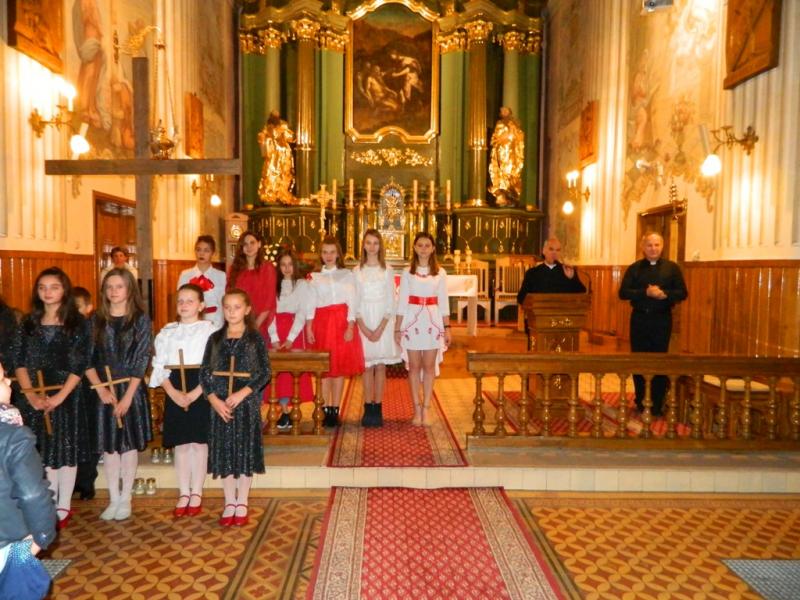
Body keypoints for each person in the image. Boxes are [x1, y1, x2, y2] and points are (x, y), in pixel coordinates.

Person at [12, 267, 90, 530]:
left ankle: (64, 504)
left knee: (65, 448)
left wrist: (59, 397)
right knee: (42, 449)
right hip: (34, 396)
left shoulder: (78, 323)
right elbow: (19, 361)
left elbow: (80, 364)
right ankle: (48, 504)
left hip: (66, 394)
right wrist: (32, 396)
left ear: (64, 290)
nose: (47, 292)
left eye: (54, 287)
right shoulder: (28, 323)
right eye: (42, 287)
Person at [85, 268, 153, 521]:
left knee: (128, 445)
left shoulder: (140, 320)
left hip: (130, 389)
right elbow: (86, 359)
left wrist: (127, 397)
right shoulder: (95, 320)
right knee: (109, 446)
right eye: (109, 287)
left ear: (129, 289)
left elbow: (141, 359)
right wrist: (100, 388)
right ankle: (113, 498)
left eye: (119, 286)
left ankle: (126, 498)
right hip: (104, 391)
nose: (113, 291)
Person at [201, 289, 270, 527]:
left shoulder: (254, 339)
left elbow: (264, 372)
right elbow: (204, 373)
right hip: (221, 405)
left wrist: (243, 393)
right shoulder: (215, 339)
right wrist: (213, 399)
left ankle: (242, 501)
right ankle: (229, 501)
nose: (231, 312)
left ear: (247, 310)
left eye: (237, 307)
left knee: (243, 452)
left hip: (245, 404)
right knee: (225, 453)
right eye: (227, 307)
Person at [150, 284, 217, 518]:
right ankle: (184, 492)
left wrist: (196, 393)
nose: (184, 305)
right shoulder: (167, 333)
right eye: (180, 301)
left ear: (201, 305)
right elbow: (159, 366)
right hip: (175, 387)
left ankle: (196, 491)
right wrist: (173, 393)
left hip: (200, 387)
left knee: (198, 443)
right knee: (181, 444)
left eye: (190, 301)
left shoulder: (210, 332)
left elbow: (213, 368)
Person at [0, 363, 57, 600]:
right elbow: (32, 493)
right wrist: (41, 536)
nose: (8, 382)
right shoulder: (14, 436)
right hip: (8, 546)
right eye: (2, 378)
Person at [619, 232, 688, 416]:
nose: (653, 248)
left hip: (662, 319)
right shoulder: (634, 268)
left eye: (657, 245)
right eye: (649, 245)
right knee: (639, 359)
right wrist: (645, 293)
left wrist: (665, 294)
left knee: (659, 359)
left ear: (662, 246)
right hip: (639, 319)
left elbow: (682, 292)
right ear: (643, 247)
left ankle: (657, 402)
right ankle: (641, 401)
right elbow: (623, 293)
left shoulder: (672, 268)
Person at [305, 236, 365, 428]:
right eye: (325, 252)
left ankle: (335, 409)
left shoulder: (347, 275)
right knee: (324, 369)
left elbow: (352, 301)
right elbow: (311, 302)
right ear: (320, 254)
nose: (329, 256)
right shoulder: (314, 277)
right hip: (322, 323)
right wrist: (309, 326)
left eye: (332, 252)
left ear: (338, 254)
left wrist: (350, 325)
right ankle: (323, 408)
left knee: (339, 367)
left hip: (341, 323)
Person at [394, 232, 451, 426]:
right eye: (420, 245)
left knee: (428, 366)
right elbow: (402, 302)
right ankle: (416, 409)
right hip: (412, 321)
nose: (424, 249)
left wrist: (447, 327)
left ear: (433, 248)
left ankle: (426, 408)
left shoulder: (440, 273)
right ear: (415, 248)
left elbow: (444, 302)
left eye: (427, 245)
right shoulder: (407, 273)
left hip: (432, 322)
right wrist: (397, 328)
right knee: (414, 366)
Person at [354, 230, 399, 427]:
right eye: (368, 243)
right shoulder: (357, 271)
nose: (372, 247)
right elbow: (354, 301)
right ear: (363, 245)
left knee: (380, 365)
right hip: (364, 319)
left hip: (382, 320)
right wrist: (363, 327)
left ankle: (378, 407)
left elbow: (391, 300)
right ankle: (367, 407)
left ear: (380, 246)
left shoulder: (387, 270)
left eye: (375, 243)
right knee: (366, 365)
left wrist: (381, 328)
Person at [267, 248, 313, 431]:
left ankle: (295, 410)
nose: (286, 268)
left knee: (294, 372)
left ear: (295, 266)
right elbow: (270, 311)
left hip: (294, 331)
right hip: (276, 330)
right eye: (283, 265)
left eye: (290, 264)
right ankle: (284, 411)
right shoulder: (273, 285)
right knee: (279, 374)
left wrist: (291, 337)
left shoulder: (302, 285)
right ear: (278, 267)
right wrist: (274, 337)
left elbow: (302, 312)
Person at [71, 286, 99, 501]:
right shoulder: (65, 328)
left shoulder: (93, 328)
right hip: (68, 388)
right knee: (72, 434)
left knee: (89, 434)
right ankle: (72, 480)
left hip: (89, 388)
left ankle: (87, 481)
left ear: (89, 308)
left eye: (78, 307)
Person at [227, 230, 277, 343]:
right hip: (237, 322)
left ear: (259, 244)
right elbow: (229, 296)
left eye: (252, 243)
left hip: (259, 324)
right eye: (245, 244)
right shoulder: (234, 269)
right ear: (242, 247)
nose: (249, 247)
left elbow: (269, 301)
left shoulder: (267, 268)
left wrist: (254, 327)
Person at [517, 237, 587, 306]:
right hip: (540, 311)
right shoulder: (532, 273)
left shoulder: (568, 271)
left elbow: (582, 293)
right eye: (551, 249)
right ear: (544, 251)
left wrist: (572, 279)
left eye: (558, 250)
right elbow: (521, 298)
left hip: (562, 311)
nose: (554, 253)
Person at [178, 235, 227, 330]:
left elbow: (223, 301)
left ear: (213, 253)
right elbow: (180, 301)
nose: (202, 253)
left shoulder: (221, 276)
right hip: (191, 321)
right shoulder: (185, 275)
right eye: (198, 250)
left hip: (215, 322)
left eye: (206, 250)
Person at [488, 106, 525, 206]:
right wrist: (500, 140)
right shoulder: (499, 124)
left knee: (510, 171)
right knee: (501, 170)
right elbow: (494, 138)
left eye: (506, 110)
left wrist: (513, 135)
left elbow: (519, 136)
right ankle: (502, 190)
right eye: (502, 111)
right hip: (501, 151)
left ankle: (510, 191)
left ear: (510, 112)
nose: (504, 112)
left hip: (511, 151)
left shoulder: (514, 124)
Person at [257, 111, 296, 204]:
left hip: (282, 154)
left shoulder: (283, 126)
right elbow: (261, 137)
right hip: (272, 156)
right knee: (270, 173)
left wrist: (283, 133)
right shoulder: (267, 128)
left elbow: (291, 137)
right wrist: (264, 138)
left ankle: (282, 193)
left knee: (284, 173)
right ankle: (270, 194)